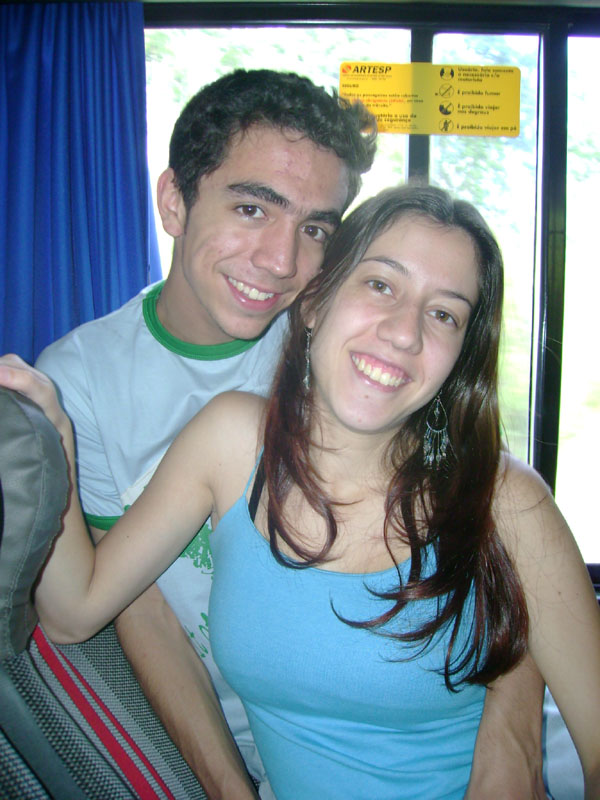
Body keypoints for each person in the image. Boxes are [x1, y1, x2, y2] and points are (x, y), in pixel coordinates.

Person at [32, 67, 544, 797]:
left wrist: (514, 726)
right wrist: (227, 784)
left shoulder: (345, 342)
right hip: (253, 732)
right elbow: (132, 606)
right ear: (174, 201)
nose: (281, 262)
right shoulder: (81, 382)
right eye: (251, 208)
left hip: (415, 709)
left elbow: (494, 522)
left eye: (315, 229)